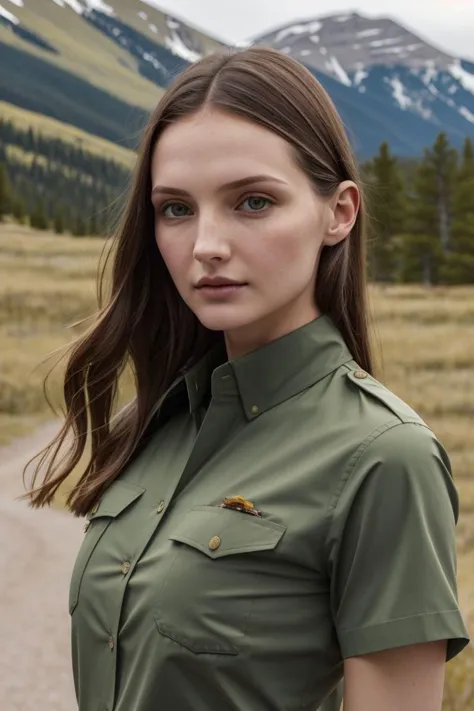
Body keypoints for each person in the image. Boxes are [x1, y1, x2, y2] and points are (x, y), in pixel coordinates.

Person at [24, 46, 470, 711]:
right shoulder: (158, 425)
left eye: (253, 201)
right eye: (176, 209)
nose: (206, 244)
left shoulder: (383, 458)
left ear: (338, 212)